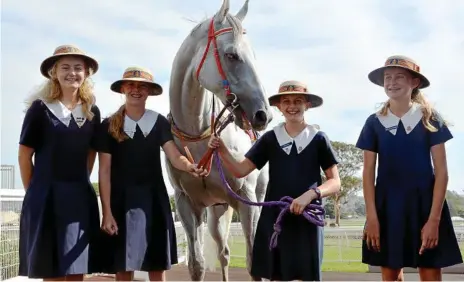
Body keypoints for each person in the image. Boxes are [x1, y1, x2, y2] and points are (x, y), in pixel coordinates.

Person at [208, 80, 341, 281]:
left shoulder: (318, 138)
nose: (292, 106)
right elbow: (240, 170)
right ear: (278, 106)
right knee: (276, 275)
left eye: (298, 101)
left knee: (307, 276)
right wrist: (222, 150)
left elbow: (335, 182)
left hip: (307, 217)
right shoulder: (270, 138)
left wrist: (310, 195)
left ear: (308, 105)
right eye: (286, 101)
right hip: (276, 218)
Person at [356, 55, 463, 281]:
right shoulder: (374, 122)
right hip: (388, 207)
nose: (392, 82)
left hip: (426, 206)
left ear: (414, 83)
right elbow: (368, 174)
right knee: (391, 273)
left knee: (430, 272)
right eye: (387, 78)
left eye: (399, 77)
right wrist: (372, 217)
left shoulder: (429, 117)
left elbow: (442, 172)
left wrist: (434, 220)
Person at [96, 66, 207, 281]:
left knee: (156, 265)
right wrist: (107, 212)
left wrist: (189, 166)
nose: (136, 90)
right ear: (123, 89)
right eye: (131, 85)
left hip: (153, 201)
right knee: (124, 266)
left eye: (142, 86)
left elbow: (174, 156)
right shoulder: (108, 125)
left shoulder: (158, 122)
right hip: (122, 203)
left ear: (149, 91)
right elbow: (104, 171)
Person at [18, 44, 103, 281]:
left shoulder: (91, 110)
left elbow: (91, 154)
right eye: (65, 67)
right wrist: (34, 191)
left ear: (86, 73)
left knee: (77, 270)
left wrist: (80, 182)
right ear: (54, 73)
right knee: (51, 270)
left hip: (79, 198)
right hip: (46, 198)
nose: (71, 73)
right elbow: (25, 156)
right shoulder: (40, 109)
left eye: (78, 68)